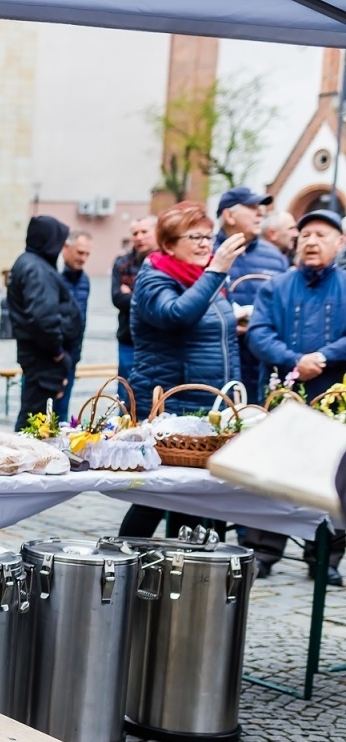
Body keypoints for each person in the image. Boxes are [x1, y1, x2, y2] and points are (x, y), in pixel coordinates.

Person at [118, 200, 247, 541]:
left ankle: (185, 564)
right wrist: (215, 272)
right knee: (154, 496)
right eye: (195, 237)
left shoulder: (203, 277)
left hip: (206, 401)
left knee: (192, 497)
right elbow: (175, 315)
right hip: (170, 402)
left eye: (208, 237)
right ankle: (123, 556)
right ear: (169, 244)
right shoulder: (155, 279)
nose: (205, 244)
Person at [246, 208, 346, 582]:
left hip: (335, 397)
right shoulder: (276, 287)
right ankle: (264, 552)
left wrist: (324, 356)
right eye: (305, 235)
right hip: (285, 394)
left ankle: (325, 559)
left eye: (321, 235)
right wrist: (293, 360)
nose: (312, 242)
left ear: (340, 242)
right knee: (274, 474)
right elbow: (258, 334)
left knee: (335, 479)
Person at [8, 216, 83, 429]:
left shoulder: (32, 263)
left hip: (40, 354)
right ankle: (27, 450)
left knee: (38, 415)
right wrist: (57, 351)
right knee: (35, 417)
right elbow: (43, 318)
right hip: (44, 356)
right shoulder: (36, 268)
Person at [217, 186, 290, 401]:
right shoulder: (207, 253)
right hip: (220, 362)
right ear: (229, 216)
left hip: (263, 364)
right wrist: (228, 321)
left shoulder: (275, 257)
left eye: (260, 208)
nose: (260, 213)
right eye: (251, 208)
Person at [111, 216, 157, 379]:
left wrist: (132, 294)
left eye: (144, 232)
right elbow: (117, 298)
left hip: (158, 341)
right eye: (135, 233)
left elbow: (163, 303)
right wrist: (148, 299)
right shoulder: (122, 263)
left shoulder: (165, 262)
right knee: (126, 388)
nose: (139, 237)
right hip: (128, 340)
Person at [56, 231, 93, 418]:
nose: (83, 258)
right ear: (66, 248)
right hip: (53, 356)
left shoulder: (84, 280)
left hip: (71, 356)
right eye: (80, 252)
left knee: (62, 413)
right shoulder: (54, 275)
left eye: (87, 254)